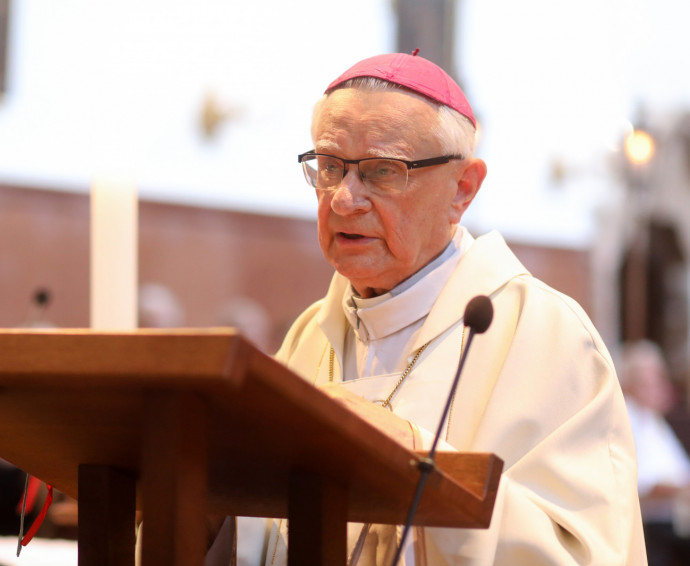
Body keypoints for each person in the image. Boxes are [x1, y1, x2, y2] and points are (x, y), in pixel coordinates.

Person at [230, 52, 646, 565]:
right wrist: (216, 516)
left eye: (382, 171)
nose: (342, 199)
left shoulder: (548, 337)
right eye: (331, 167)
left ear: (462, 189)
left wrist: (412, 459)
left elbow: (580, 552)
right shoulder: (309, 335)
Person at [619, 340, 690, 565]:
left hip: (670, 524)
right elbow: (643, 485)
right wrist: (680, 489)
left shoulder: (652, 420)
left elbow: (680, 470)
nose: (659, 387)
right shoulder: (627, 418)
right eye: (650, 380)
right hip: (649, 530)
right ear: (630, 383)